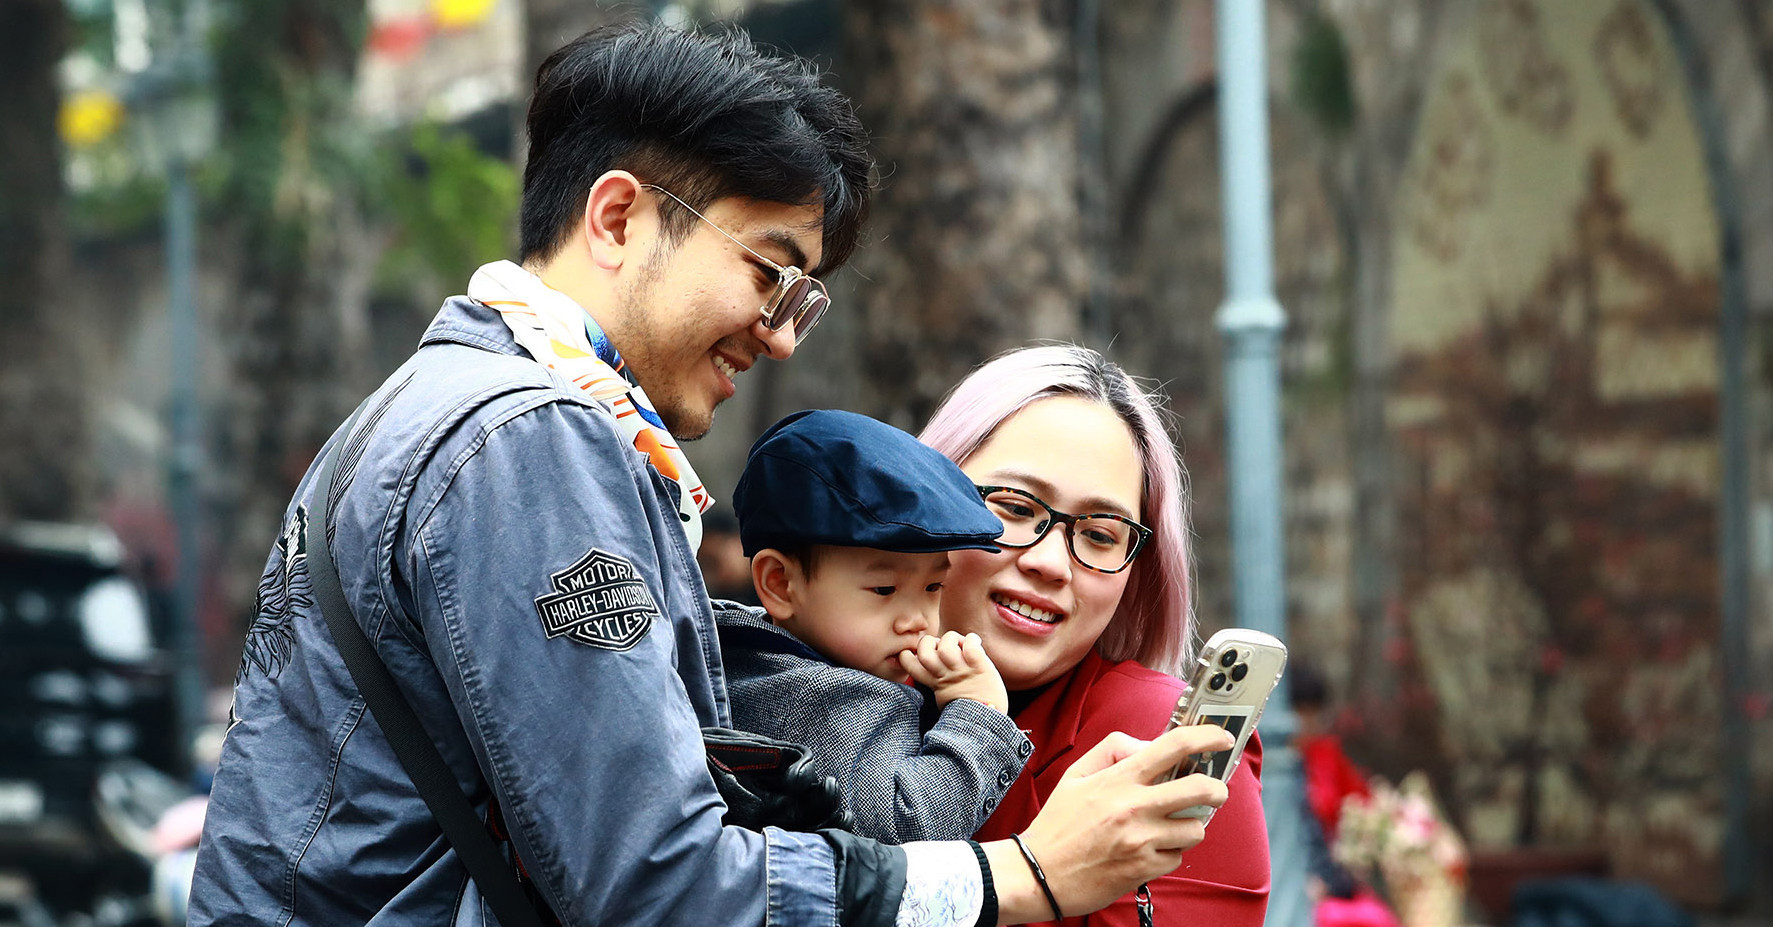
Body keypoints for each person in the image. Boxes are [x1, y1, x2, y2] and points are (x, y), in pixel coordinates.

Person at [190, 23, 1236, 927]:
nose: (781, 338)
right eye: (770, 272)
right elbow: (662, 886)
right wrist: (1020, 877)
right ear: (616, 218)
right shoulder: (531, 446)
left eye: (803, 298)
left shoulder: (450, 405)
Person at [919, 344, 1274, 926]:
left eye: (1101, 535)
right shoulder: (798, 682)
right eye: (1011, 506)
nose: (1052, 563)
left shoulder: (1154, 738)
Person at [719, 408, 1032, 843]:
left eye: (934, 586)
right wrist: (979, 717)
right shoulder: (824, 699)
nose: (918, 620)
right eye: (884, 589)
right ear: (780, 584)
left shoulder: (739, 649)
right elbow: (909, 828)